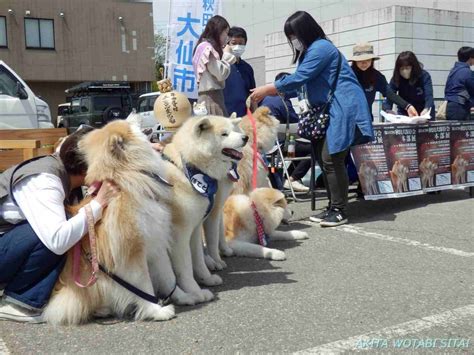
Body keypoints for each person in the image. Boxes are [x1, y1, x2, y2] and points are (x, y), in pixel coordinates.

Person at [250, 11, 373, 227]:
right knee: (325, 158)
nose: (293, 41)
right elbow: (302, 83)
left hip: (341, 106)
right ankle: (334, 206)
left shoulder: (321, 48)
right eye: (290, 37)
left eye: (294, 35)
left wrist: (268, 89)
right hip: (328, 109)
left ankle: (339, 210)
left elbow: (301, 78)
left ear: (304, 31)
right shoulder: (311, 51)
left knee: (331, 158)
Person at [0, 127, 119, 323]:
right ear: (87, 167)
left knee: (64, 224)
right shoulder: (45, 181)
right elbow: (57, 240)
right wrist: (98, 204)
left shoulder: (63, 170)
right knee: (50, 233)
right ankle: (20, 302)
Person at [261, 72, 311, 193]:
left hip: (267, 147)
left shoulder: (264, 98)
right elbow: (296, 124)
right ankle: (292, 179)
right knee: (312, 149)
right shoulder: (283, 102)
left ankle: (283, 182)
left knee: (276, 163)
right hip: (284, 148)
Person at [349, 42, 418, 118]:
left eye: (368, 60)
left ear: (372, 60)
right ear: (355, 61)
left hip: (366, 119)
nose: (364, 63)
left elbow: (389, 93)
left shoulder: (376, 76)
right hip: (347, 119)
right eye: (360, 60)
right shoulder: (347, 75)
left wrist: (407, 106)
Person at [192, 15, 236, 116]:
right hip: (212, 99)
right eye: (226, 32)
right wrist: (227, 56)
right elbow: (220, 73)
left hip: (206, 98)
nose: (227, 37)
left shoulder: (202, 46)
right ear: (218, 31)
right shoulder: (207, 49)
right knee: (218, 130)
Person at [383, 51, 435, 119]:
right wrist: (388, 110)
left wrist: (426, 109)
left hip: (424, 112)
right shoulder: (396, 78)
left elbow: (429, 96)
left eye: (407, 68)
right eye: (402, 69)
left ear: (413, 67)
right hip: (405, 113)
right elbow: (390, 95)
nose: (404, 71)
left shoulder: (424, 76)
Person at [223, 26, 256, 117]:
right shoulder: (222, 65)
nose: (237, 46)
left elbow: (252, 94)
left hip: (243, 116)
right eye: (234, 43)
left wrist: (255, 115)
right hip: (224, 114)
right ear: (227, 44)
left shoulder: (247, 68)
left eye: (241, 43)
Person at [444, 46, 474, 121]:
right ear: (470, 58)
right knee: (461, 131)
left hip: (450, 105)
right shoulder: (467, 72)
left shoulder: (454, 70)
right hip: (460, 107)